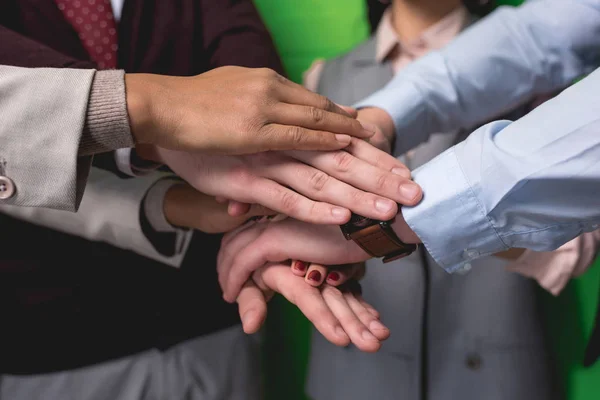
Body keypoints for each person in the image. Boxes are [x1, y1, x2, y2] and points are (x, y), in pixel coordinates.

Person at [0, 1, 386, 399]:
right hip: (54, 340)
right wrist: (160, 120)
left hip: (212, 308)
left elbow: (252, 89)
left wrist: (274, 209)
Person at [216, 0, 600, 301]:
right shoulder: (323, 78)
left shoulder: (540, 89)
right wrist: (375, 123)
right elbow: (546, 31)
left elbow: (569, 251)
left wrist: (384, 222)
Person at [298, 0, 561, 398]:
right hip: (357, 369)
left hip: (490, 372)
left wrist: (435, 216)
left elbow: (574, 240)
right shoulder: (322, 78)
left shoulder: (536, 65)